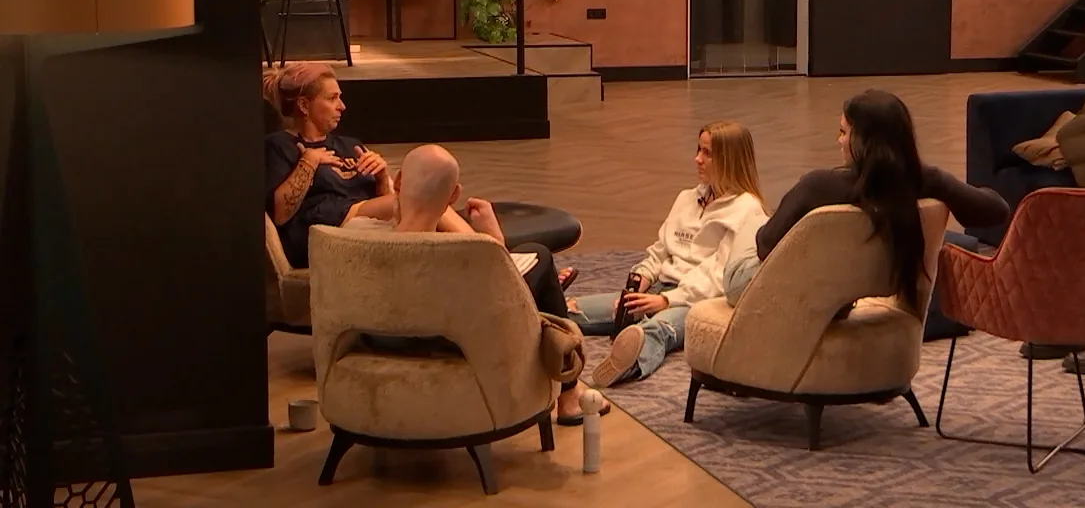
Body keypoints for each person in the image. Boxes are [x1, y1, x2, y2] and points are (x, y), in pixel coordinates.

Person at [349, 144, 611, 426]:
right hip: (441, 347)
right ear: (454, 195)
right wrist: (494, 239)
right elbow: (501, 294)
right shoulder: (467, 255)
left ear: (398, 180)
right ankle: (569, 395)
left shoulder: (354, 235)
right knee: (540, 257)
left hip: (374, 341)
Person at [723, 90, 1010, 323]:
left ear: (863, 141)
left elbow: (765, 245)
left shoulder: (817, 187)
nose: (839, 140)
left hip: (769, 289)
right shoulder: (926, 182)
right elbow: (997, 210)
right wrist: (941, 184)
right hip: (858, 294)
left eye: (843, 132)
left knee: (749, 212)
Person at [571, 121, 769, 387]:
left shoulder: (748, 210)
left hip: (698, 302)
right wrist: (642, 278)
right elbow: (660, 250)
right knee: (572, 309)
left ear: (730, 159)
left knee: (659, 329)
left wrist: (666, 301)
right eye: (698, 149)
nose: (697, 159)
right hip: (660, 290)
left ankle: (629, 360)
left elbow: (718, 275)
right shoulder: (686, 198)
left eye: (708, 153)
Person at [263, 63, 395, 268]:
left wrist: (381, 177)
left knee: (427, 189)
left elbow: (386, 201)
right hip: (328, 233)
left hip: (373, 225)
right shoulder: (279, 146)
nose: (342, 106)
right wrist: (309, 162)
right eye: (332, 98)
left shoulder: (350, 145)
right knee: (420, 197)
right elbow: (279, 216)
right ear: (304, 105)